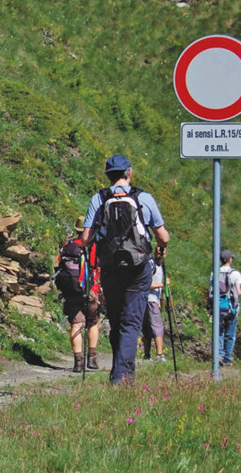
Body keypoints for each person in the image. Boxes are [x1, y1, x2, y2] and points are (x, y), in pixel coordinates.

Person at [81, 155, 170, 384]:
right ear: (128, 172)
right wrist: (161, 248)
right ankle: (122, 376)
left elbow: (85, 238)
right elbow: (163, 236)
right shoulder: (143, 198)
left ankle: (120, 372)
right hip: (138, 267)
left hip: (110, 267)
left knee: (117, 319)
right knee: (131, 323)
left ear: (108, 175)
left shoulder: (99, 198)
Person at [54, 216, 102, 372]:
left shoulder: (68, 245)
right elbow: (99, 266)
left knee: (76, 324)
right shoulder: (93, 246)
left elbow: (58, 264)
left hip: (71, 290)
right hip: (90, 289)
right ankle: (92, 359)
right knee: (93, 323)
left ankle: (78, 362)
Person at [209, 250, 241, 366]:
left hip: (217, 307)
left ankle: (218, 356)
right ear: (229, 260)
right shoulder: (235, 274)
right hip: (231, 308)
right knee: (230, 335)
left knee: (218, 332)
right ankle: (227, 359)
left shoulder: (214, 273)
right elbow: (238, 292)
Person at [141, 258, 166, 362]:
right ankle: (159, 355)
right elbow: (146, 284)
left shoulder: (161, 266)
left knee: (147, 327)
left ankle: (147, 355)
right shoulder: (152, 266)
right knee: (157, 327)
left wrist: (159, 299)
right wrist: (163, 284)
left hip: (152, 300)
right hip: (150, 300)